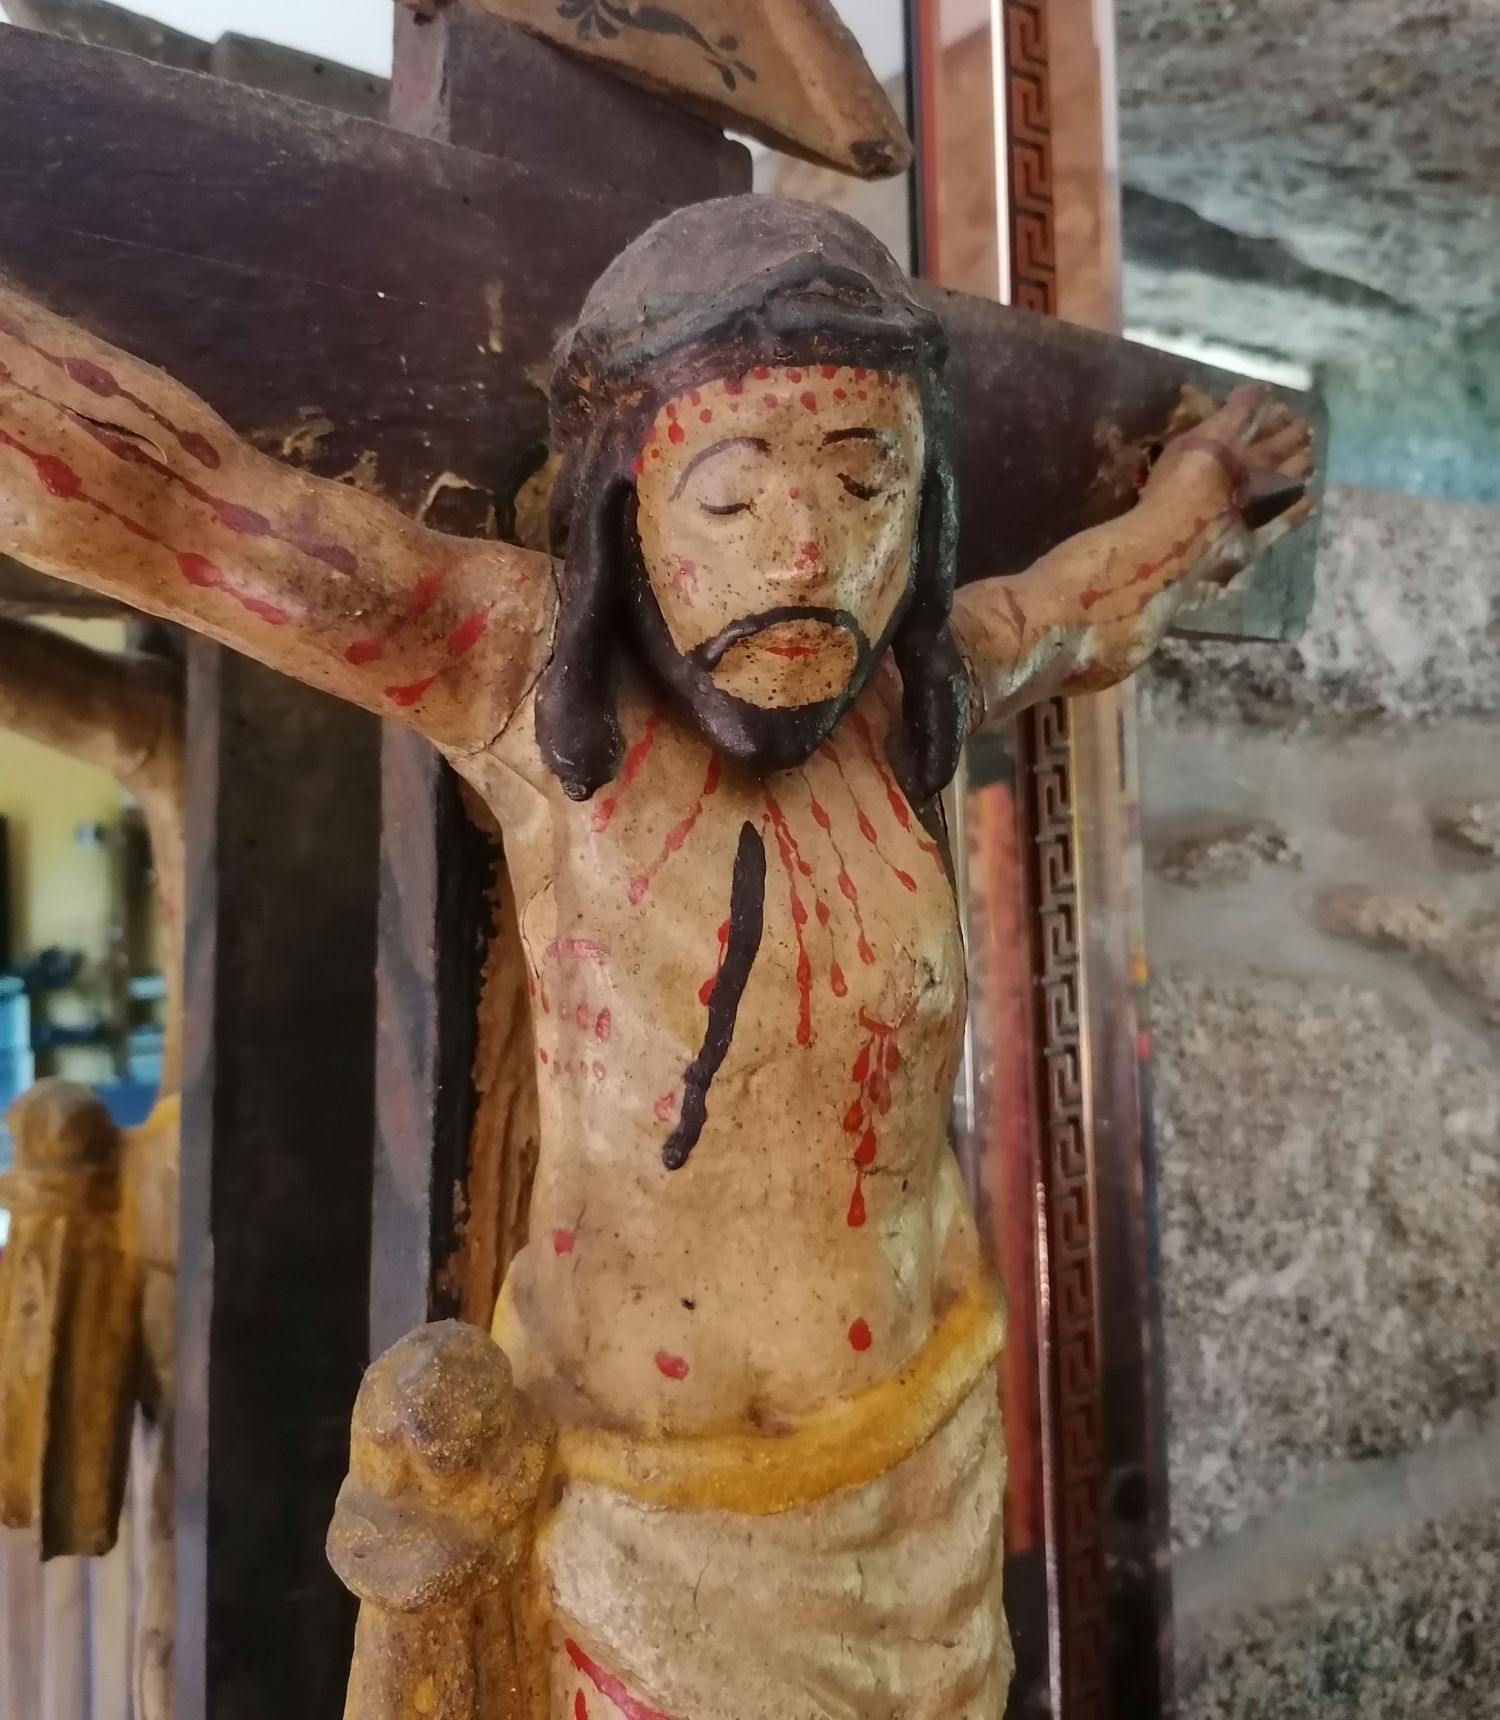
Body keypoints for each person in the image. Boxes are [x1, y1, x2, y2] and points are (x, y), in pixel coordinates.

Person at [0, 196, 1309, 1717]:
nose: (807, 549)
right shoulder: (517, 679)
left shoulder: (908, 709)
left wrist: (1206, 487)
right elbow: (185, 511)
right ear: (627, 501)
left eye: (864, 479)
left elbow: (1091, 606)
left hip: (924, 1477)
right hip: (641, 1523)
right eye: (733, 494)